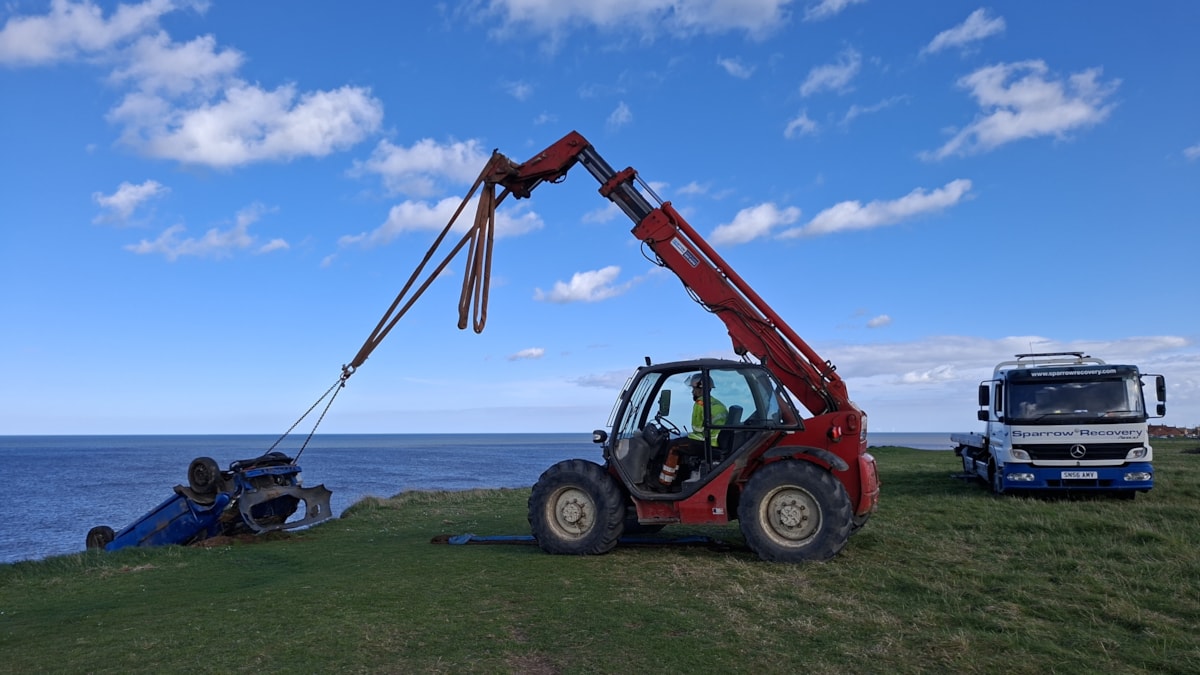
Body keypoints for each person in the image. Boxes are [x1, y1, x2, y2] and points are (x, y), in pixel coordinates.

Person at [657, 372, 727, 489]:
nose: (692, 392)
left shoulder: (700, 404)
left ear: (701, 389)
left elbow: (697, 428)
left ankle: (664, 483)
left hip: (706, 440)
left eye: (694, 388)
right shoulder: (717, 404)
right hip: (714, 439)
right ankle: (678, 479)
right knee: (681, 444)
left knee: (673, 446)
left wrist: (689, 436)